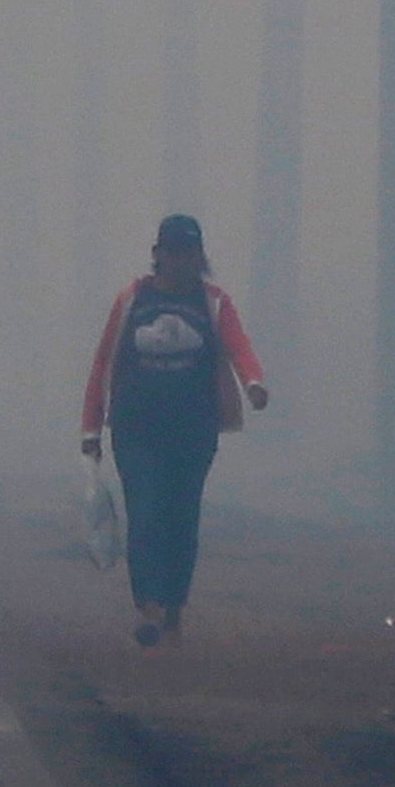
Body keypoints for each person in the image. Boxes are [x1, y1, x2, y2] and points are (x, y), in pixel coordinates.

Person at [79, 213, 267, 646]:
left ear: (200, 258)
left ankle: (174, 609)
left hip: (193, 432)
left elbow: (239, 348)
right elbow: (104, 364)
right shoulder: (133, 301)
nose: (181, 262)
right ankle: (147, 604)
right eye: (173, 253)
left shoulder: (213, 303)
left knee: (181, 518)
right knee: (144, 512)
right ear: (158, 255)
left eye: (189, 254)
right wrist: (91, 427)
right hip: (136, 430)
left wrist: (254, 384)